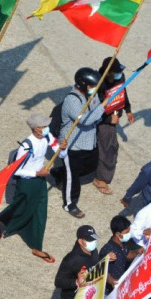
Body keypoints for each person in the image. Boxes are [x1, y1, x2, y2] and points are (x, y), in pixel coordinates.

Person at [0, 113, 68, 263]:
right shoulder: (26, 147)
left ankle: (36, 246)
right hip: (27, 183)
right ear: (36, 129)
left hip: (40, 181)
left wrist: (63, 147)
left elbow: (61, 152)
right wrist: (36, 172)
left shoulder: (47, 137)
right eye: (44, 126)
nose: (47, 128)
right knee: (19, 206)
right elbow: (16, 170)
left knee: (40, 210)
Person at [50, 67, 105, 219]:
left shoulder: (92, 96)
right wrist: (103, 107)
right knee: (73, 178)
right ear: (82, 84)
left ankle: (59, 172)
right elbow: (86, 120)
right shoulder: (72, 100)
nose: (94, 89)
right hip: (72, 145)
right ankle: (70, 204)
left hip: (89, 142)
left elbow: (96, 117)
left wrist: (99, 109)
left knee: (91, 166)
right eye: (91, 85)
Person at [94, 58, 134, 195]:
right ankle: (101, 179)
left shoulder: (119, 77)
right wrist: (109, 119)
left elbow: (123, 92)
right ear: (108, 72)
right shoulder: (98, 83)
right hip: (102, 120)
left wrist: (128, 110)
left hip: (113, 116)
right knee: (109, 149)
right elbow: (93, 108)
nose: (119, 75)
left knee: (105, 147)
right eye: (116, 72)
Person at [54, 225, 105, 299]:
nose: (94, 242)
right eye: (90, 240)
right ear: (81, 241)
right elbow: (58, 281)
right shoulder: (71, 259)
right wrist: (76, 282)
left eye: (94, 239)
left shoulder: (94, 251)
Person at [99, 216, 143, 295]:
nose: (129, 234)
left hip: (120, 285)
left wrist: (137, 252)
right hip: (108, 290)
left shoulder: (123, 244)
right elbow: (101, 270)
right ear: (118, 234)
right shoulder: (107, 250)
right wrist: (111, 281)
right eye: (127, 232)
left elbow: (128, 255)